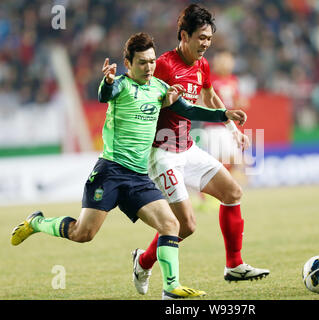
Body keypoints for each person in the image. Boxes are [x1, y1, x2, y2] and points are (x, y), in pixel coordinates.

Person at [10, 32, 246, 300]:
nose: (149, 68)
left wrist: (223, 114)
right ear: (128, 63)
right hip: (109, 173)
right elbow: (104, 94)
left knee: (171, 224)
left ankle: (171, 288)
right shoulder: (120, 85)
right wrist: (107, 81)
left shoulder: (159, 88)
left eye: (152, 61)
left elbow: (189, 110)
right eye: (142, 63)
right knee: (82, 233)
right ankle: (37, 222)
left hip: (138, 177)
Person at [133, 4, 269, 296]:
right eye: (201, 38)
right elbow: (140, 99)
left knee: (232, 192)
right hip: (162, 153)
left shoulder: (202, 65)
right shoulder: (164, 66)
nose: (205, 44)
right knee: (186, 225)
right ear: (184, 35)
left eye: (209, 38)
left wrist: (233, 129)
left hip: (187, 148)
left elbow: (209, 95)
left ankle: (234, 266)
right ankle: (144, 263)